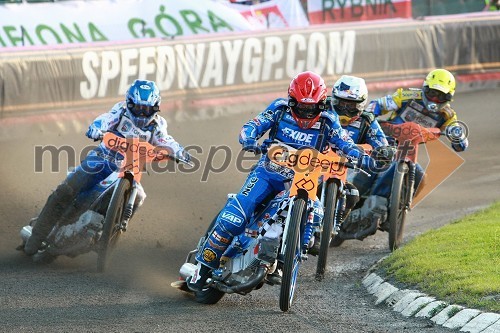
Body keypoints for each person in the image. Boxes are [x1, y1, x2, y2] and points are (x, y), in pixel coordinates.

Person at [187, 71, 377, 291]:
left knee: (316, 215)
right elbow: (253, 125)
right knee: (234, 219)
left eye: (311, 107)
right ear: (290, 100)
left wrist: (359, 155)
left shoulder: (329, 120)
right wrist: (249, 138)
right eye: (300, 106)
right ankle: (202, 268)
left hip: (302, 182)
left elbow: (345, 142)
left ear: (322, 104)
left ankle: (284, 261)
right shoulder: (278, 109)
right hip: (267, 174)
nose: (306, 112)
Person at [23, 79, 190, 257]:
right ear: (129, 103)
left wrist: (179, 151)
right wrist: (96, 128)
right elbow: (104, 120)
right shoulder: (120, 111)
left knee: (139, 195)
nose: (142, 114)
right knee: (71, 185)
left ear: (155, 108)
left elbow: (166, 140)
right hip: (103, 159)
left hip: (130, 167)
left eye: (147, 109)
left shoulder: (158, 125)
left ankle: (108, 232)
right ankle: (37, 235)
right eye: (138, 108)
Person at [347, 69, 469, 230]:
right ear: (424, 88)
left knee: (421, 179)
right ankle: (346, 206)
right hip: (385, 142)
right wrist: (371, 114)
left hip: (409, 151)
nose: (434, 99)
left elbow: (459, 141)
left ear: (449, 97)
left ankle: (396, 210)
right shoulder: (406, 96)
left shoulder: (448, 116)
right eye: (431, 93)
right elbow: (379, 104)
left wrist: (458, 137)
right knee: (373, 167)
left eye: (440, 96)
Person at [327, 75, 395, 244]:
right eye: (341, 103)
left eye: (351, 106)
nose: (344, 109)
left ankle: (338, 224)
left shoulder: (367, 120)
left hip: (348, 169)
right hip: (312, 164)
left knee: (353, 194)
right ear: (334, 99)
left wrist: (385, 150)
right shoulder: (322, 109)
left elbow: (380, 141)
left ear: (361, 105)